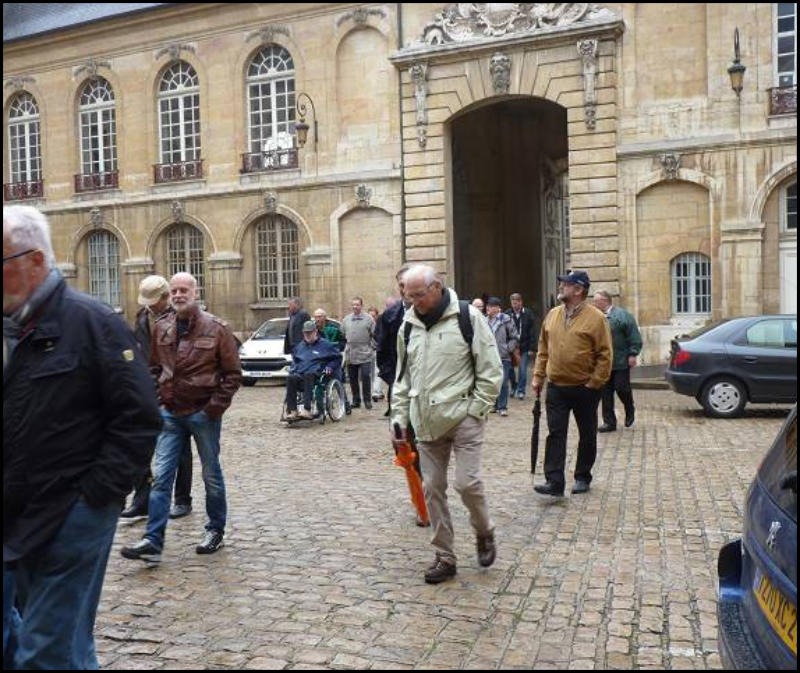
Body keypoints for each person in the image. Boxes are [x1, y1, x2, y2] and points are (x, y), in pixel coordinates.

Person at [3, 205, 161, 668]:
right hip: (18, 512)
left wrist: (95, 499)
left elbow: (139, 417)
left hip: (72, 513)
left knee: (47, 649)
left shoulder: (92, 322)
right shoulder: (10, 328)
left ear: (34, 261)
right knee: (58, 642)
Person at [121, 272, 241, 563]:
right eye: (174, 290)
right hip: (171, 413)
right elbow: (154, 369)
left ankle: (215, 530)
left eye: (184, 290)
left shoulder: (217, 328)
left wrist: (212, 409)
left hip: (203, 413)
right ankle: (153, 540)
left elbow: (232, 374)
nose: (178, 295)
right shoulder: (161, 327)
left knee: (211, 474)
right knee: (162, 478)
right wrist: (160, 399)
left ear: (195, 292)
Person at [392, 265, 502, 584]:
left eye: (419, 295)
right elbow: (402, 380)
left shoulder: (467, 317)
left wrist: (477, 410)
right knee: (431, 488)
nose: (414, 301)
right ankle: (445, 555)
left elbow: (491, 368)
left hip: (464, 417)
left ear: (436, 287)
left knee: (467, 484)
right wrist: (399, 420)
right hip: (426, 421)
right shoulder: (407, 326)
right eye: (409, 296)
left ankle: (484, 531)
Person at [532, 270, 612, 497]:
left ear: (578, 289)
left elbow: (605, 354)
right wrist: (538, 376)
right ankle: (554, 481)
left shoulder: (596, 318)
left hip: (585, 387)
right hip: (556, 387)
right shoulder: (552, 314)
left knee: (587, 434)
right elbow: (543, 348)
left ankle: (582, 476)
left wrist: (594, 383)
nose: (561, 287)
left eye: (565, 284)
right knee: (555, 433)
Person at [122, 275, 193, 521]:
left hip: (176, 390)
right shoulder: (142, 317)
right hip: (147, 388)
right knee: (139, 444)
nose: (150, 306)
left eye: (154, 301)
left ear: (165, 297)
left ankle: (182, 499)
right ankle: (142, 499)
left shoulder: (183, 317)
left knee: (180, 448)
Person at [592, 290, 643, 432]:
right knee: (605, 393)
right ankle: (609, 422)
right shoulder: (595, 317)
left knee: (622, 388)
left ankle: (629, 408)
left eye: (596, 301)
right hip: (603, 362)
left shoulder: (623, 316)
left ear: (604, 300)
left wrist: (633, 354)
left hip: (620, 361)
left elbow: (634, 336)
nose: (594, 303)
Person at [284, 321, 343, 420]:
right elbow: (295, 361)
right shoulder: (300, 347)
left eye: (310, 332)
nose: (307, 335)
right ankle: (292, 410)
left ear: (315, 332)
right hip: (300, 373)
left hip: (318, 374)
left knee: (309, 375)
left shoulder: (326, 345)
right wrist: (293, 369)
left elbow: (337, 358)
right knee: (291, 378)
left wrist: (330, 367)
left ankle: (307, 409)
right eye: (305, 333)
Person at [377, 265, 411, 417]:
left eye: (408, 283)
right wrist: (391, 377)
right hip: (399, 379)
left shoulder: (432, 311)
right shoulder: (390, 315)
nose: (404, 289)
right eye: (401, 285)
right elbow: (382, 348)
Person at [486, 296, 518, 417]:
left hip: (503, 356)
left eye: (491, 306)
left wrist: (507, 348)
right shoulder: (484, 320)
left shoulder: (506, 320)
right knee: (493, 382)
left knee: (504, 381)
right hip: (489, 357)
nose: (488, 308)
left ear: (497, 308)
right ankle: (495, 405)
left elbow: (514, 336)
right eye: (488, 306)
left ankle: (502, 407)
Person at [342, 296, 375, 409]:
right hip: (351, 353)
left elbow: (374, 334)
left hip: (365, 352)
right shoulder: (346, 319)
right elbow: (343, 333)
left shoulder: (369, 319)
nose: (355, 307)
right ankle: (356, 400)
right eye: (353, 305)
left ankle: (367, 400)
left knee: (365, 376)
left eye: (357, 304)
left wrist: (372, 347)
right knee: (352, 378)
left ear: (361, 305)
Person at [505, 292, 538, 400]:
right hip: (511, 347)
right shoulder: (507, 314)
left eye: (517, 302)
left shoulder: (528, 314)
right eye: (513, 303)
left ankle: (521, 390)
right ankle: (514, 386)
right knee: (510, 370)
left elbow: (533, 331)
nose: (515, 305)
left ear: (521, 302)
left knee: (522, 369)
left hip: (524, 346)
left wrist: (532, 348)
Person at [367, 306, 384, 402]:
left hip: (378, 350)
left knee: (377, 371)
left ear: (377, 316)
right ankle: (374, 391)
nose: (371, 318)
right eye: (370, 316)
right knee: (369, 372)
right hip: (368, 351)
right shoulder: (366, 325)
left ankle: (376, 392)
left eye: (373, 316)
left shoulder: (380, 325)